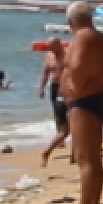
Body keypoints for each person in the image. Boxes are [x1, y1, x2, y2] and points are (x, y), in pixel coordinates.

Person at [60, 1, 103, 204]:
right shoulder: (99, 37)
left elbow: (76, 65)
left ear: (71, 20)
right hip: (97, 97)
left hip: (84, 101)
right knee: (93, 158)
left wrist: (76, 85)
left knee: (85, 158)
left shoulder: (82, 37)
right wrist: (101, 79)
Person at [37, 38, 69, 167]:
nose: (51, 51)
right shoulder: (49, 56)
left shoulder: (68, 55)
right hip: (55, 89)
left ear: (59, 45)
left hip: (67, 89)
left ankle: (74, 155)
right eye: (49, 48)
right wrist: (41, 88)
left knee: (71, 124)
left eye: (53, 48)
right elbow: (46, 72)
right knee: (63, 122)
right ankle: (51, 148)